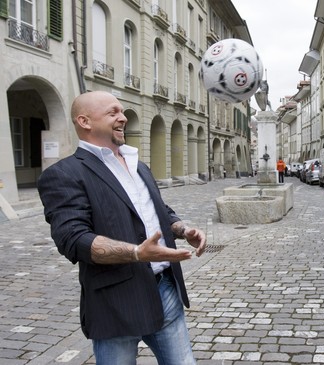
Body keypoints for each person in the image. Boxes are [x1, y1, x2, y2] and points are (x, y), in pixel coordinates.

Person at [37, 91, 206, 365]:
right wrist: (137, 253)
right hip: (114, 301)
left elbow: (157, 210)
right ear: (85, 121)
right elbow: (73, 239)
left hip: (166, 289)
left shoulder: (139, 165)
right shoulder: (63, 175)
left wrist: (182, 229)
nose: (123, 117)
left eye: (123, 111)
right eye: (113, 112)